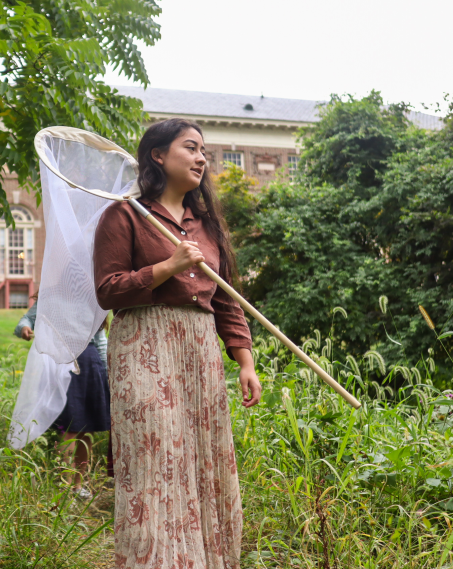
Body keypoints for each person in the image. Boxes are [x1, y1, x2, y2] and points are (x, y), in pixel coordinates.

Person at [94, 118, 262, 569]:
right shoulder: (125, 214)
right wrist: (167, 267)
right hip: (143, 345)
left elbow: (227, 300)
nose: (202, 157)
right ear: (158, 155)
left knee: (205, 463)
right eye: (191, 147)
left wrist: (244, 361)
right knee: (153, 459)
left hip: (200, 351)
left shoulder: (207, 226)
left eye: (204, 150)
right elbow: (108, 290)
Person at [15, 300, 110, 498]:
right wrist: (25, 328)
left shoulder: (92, 298)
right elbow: (25, 320)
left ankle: (78, 485)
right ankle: (65, 486)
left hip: (90, 364)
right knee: (70, 429)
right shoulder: (52, 296)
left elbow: (101, 341)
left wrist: (107, 373)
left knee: (87, 430)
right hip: (61, 363)